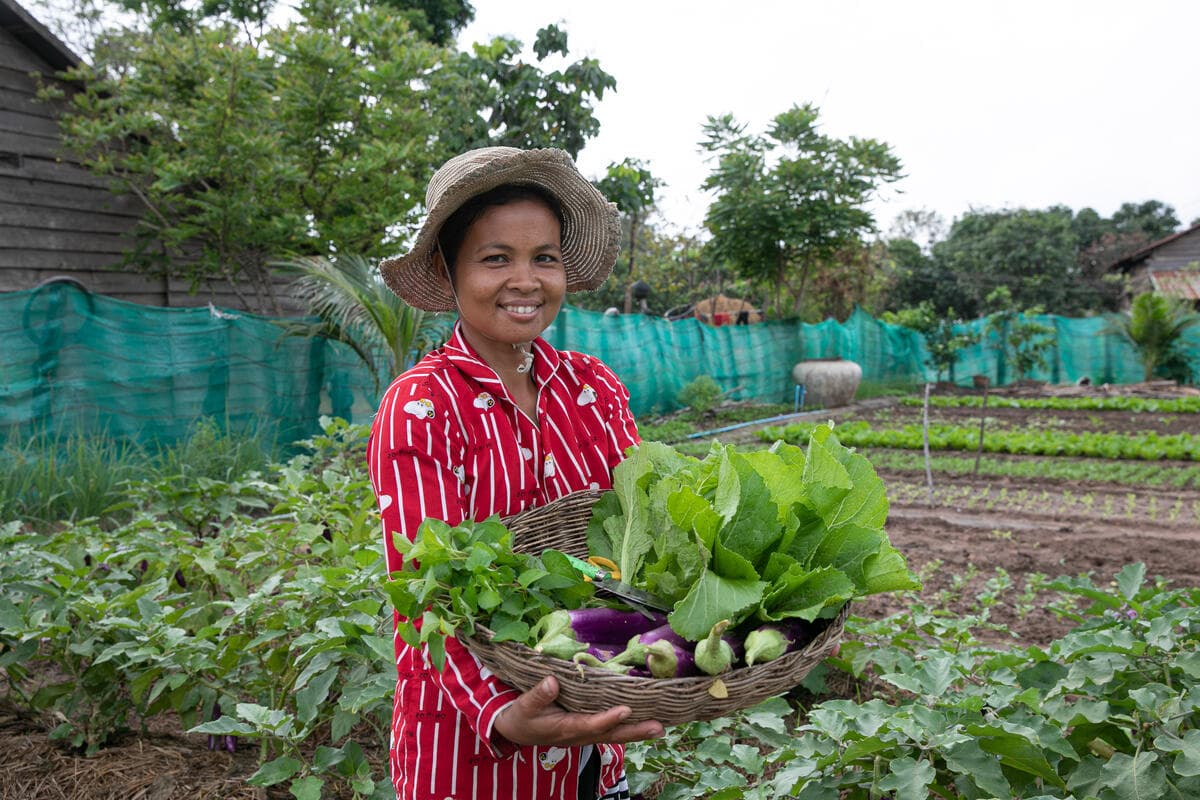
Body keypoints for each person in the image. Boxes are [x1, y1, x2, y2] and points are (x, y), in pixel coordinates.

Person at [367, 146, 665, 800]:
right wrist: (502, 713)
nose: (525, 280)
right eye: (496, 258)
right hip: (468, 756)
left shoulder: (592, 388)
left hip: (593, 734)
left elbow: (640, 530)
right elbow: (424, 588)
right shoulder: (422, 407)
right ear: (447, 271)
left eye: (544, 258)